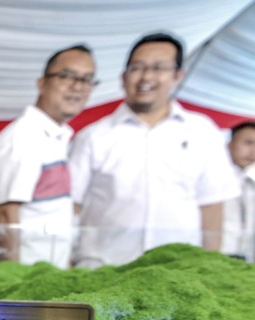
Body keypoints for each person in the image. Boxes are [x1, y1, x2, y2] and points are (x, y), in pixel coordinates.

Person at [69, 33, 239, 267]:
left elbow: (211, 205)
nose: (146, 76)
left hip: (178, 273)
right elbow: (71, 206)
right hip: (102, 270)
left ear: (177, 75)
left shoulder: (202, 132)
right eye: (137, 68)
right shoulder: (92, 137)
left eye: (159, 68)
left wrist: (208, 267)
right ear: (123, 76)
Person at [0, 44, 96, 267]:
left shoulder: (57, 138)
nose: (77, 87)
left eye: (86, 79)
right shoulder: (24, 136)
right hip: (23, 284)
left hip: (45, 277)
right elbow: (6, 215)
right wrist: (14, 282)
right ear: (42, 83)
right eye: (66, 76)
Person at [222, 121, 255, 261]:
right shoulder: (213, 179)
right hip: (218, 254)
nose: (253, 151)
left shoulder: (251, 180)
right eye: (248, 143)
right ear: (229, 144)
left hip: (247, 257)